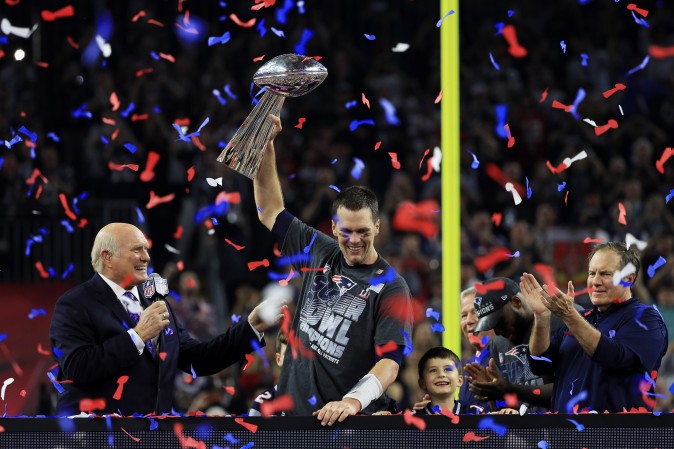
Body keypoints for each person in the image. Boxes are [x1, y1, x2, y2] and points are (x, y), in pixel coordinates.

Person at [252, 115, 413, 425]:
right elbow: (269, 210)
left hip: (345, 424)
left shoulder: (392, 286)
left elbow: (390, 362)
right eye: (347, 231)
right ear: (335, 228)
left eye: (363, 231)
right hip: (293, 421)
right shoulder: (321, 250)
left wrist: (352, 401)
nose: (354, 240)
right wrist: (266, 146)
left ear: (377, 227)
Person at [49, 222, 284, 416]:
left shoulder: (155, 303)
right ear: (107, 257)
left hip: (151, 435)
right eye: (137, 249)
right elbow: (75, 367)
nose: (146, 257)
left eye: (146, 249)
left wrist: (250, 328)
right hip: (97, 437)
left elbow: (199, 359)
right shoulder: (75, 304)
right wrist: (137, 336)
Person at [525, 241, 669, 413]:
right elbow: (540, 365)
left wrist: (570, 316)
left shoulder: (646, 319)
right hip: (564, 434)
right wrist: (541, 317)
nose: (596, 281)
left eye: (606, 274)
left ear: (629, 279)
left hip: (617, 435)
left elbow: (614, 357)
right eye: (592, 273)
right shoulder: (580, 319)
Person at [465, 277, 560, 413]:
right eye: (492, 326)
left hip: (565, 429)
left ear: (516, 302)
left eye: (500, 322)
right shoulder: (498, 343)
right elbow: (507, 409)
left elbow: (572, 389)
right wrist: (493, 393)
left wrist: (510, 389)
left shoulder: (561, 321)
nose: (497, 331)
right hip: (524, 433)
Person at [457, 287, 493, 413]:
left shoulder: (508, 356)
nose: (468, 321)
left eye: (475, 313)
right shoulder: (468, 365)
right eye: (463, 315)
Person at [414, 347, 464, 415]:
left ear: (459, 380)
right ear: (422, 383)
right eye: (433, 370)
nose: (441, 374)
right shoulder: (412, 419)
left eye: (447, 369)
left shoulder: (476, 412)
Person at [248, 331, 287, 416]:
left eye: (270, 348)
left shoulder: (318, 397)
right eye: (288, 354)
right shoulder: (260, 403)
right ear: (278, 359)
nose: (294, 359)